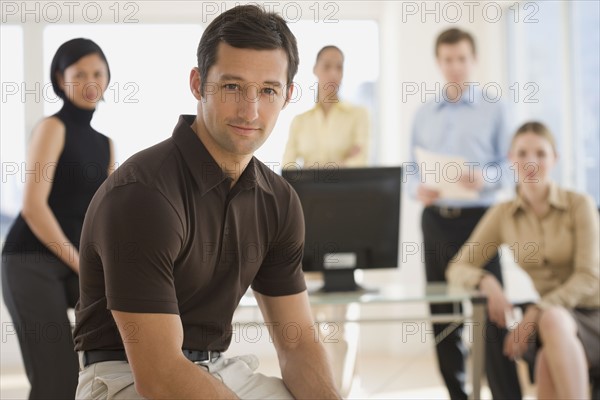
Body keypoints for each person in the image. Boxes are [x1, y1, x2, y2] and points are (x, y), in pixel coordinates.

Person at [72, 5, 339, 399]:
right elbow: (160, 376)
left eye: (268, 90)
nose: (251, 110)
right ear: (198, 84)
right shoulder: (143, 194)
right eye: (232, 87)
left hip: (219, 370)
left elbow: (297, 344)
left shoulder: (279, 201)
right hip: (125, 377)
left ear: (288, 96)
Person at [447, 121, 600, 399]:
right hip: (556, 322)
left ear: (554, 159)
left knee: (550, 325)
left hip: (592, 311)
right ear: (510, 159)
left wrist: (536, 311)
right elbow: (457, 267)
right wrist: (485, 280)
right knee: (545, 360)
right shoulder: (503, 214)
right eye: (522, 153)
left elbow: (589, 278)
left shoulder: (580, 205)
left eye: (541, 154)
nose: (531, 161)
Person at [408, 28, 521, 399]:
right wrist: (417, 188)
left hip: (482, 223)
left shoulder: (495, 108)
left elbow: (511, 167)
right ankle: (458, 394)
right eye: (447, 59)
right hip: (436, 220)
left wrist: (484, 177)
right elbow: (411, 169)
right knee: (444, 315)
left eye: (461, 59)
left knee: (492, 312)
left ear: (473, 61)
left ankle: (506, 394)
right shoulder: (424, 113)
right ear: (439, 62)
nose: (455, 66)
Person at [1, 38, 113, 399]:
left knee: (118, 344)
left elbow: (104, 214)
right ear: (59, 79)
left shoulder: (105, 143)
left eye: (97, 72)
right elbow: (34, 206)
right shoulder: (52, 128)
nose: (90, 81)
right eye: (78, 73)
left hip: (74, 261)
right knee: (58, 380)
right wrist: (82, 264)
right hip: (29, 262)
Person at [282, 45, 370, 168]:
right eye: (327, 66)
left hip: (347, 187)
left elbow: (360, 162)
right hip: (307, 188)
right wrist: (343, 162)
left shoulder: (358, 114)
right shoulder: (300, 121)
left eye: (339, 67)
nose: (333, 73)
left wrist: (310, 168)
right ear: (315, 70)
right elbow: (287, 167)